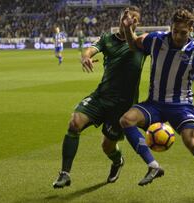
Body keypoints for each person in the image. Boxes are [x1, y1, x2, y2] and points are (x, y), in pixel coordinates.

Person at [120, 8, 194, 201]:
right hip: (155, 104)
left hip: (181, 106)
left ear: (191, 29)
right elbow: (134, 44)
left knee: (192, 143)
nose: (177, 35)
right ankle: (153, 166)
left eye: (182, 32)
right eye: (175, 30)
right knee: (126, 120)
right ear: (171, 27)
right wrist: (127, 29)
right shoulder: (156, 39)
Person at [52, 6, 146, 188]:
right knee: (74, 123)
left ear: (137, 23)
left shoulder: (142, 44)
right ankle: (64, 174)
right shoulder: (107, 39)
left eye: (133, 19)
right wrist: (85, 57)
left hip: (122, 107)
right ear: (120, 19)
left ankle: (118, 161)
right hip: (101, 97)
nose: (128, 21)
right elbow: (89, 50)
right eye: (125, 18)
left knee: (107, 147)